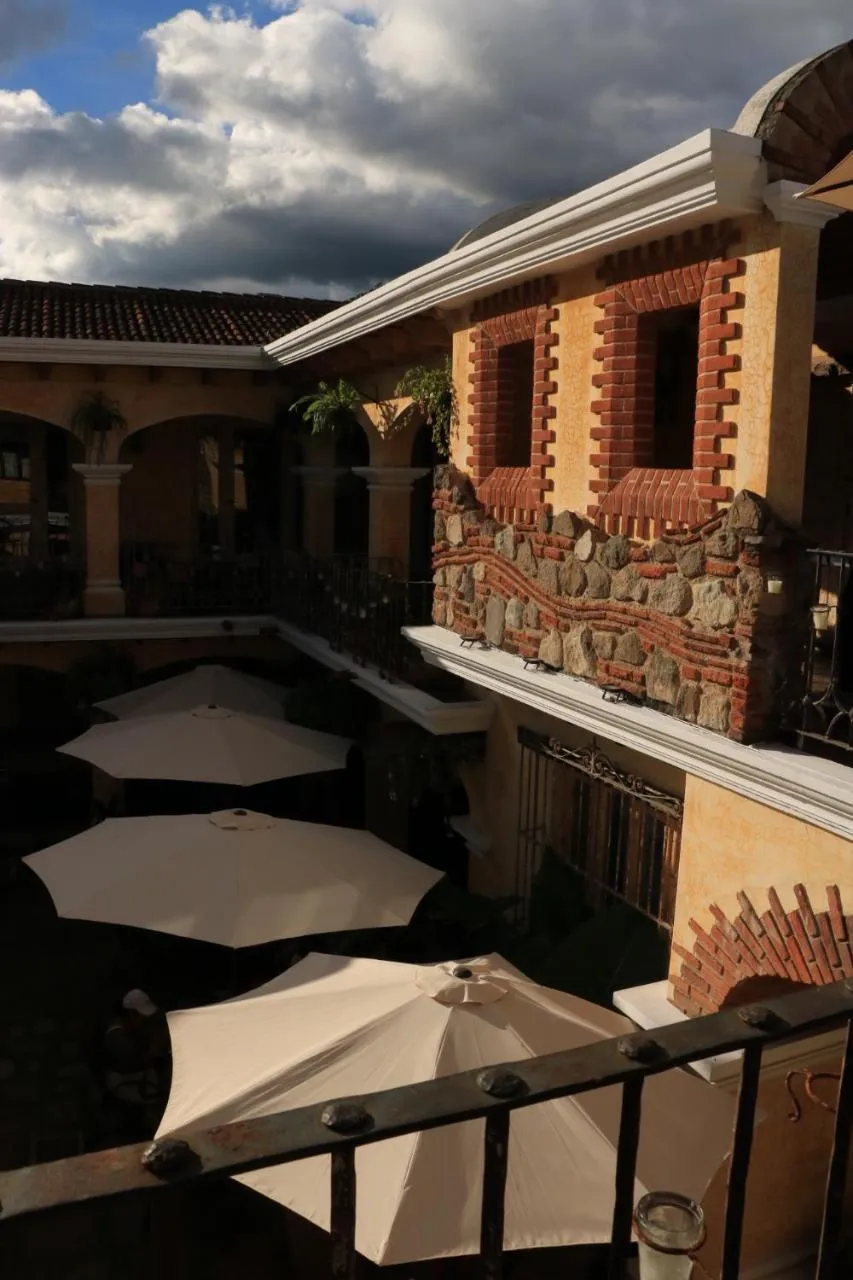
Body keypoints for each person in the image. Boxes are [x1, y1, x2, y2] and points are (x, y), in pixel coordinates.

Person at [100, 989, 171, 1140]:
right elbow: (130, 1064)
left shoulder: (130, 1032)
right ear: (131, 1014)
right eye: (141, 1017)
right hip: (128, 1089)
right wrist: (153, 1051)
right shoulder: (116, 1037)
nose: (144, 1021)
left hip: (139, 1086)